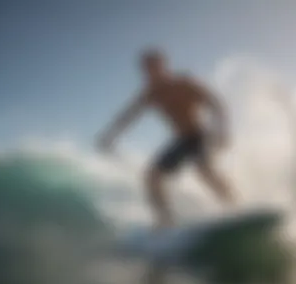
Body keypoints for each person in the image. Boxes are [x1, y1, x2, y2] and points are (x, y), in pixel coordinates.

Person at [97, 48, 236, 230]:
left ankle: (233, 206)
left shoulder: (183, 84)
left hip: (200, 134)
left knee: (203, 170)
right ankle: (165, 222)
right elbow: (128, 116)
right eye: (146, 69)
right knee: (152, 177)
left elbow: (215, 102)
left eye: (154, 67)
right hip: (181, 140)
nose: (150, 73)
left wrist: (223, 131)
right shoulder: (150, 94)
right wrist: (109, 136)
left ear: (163, 66)